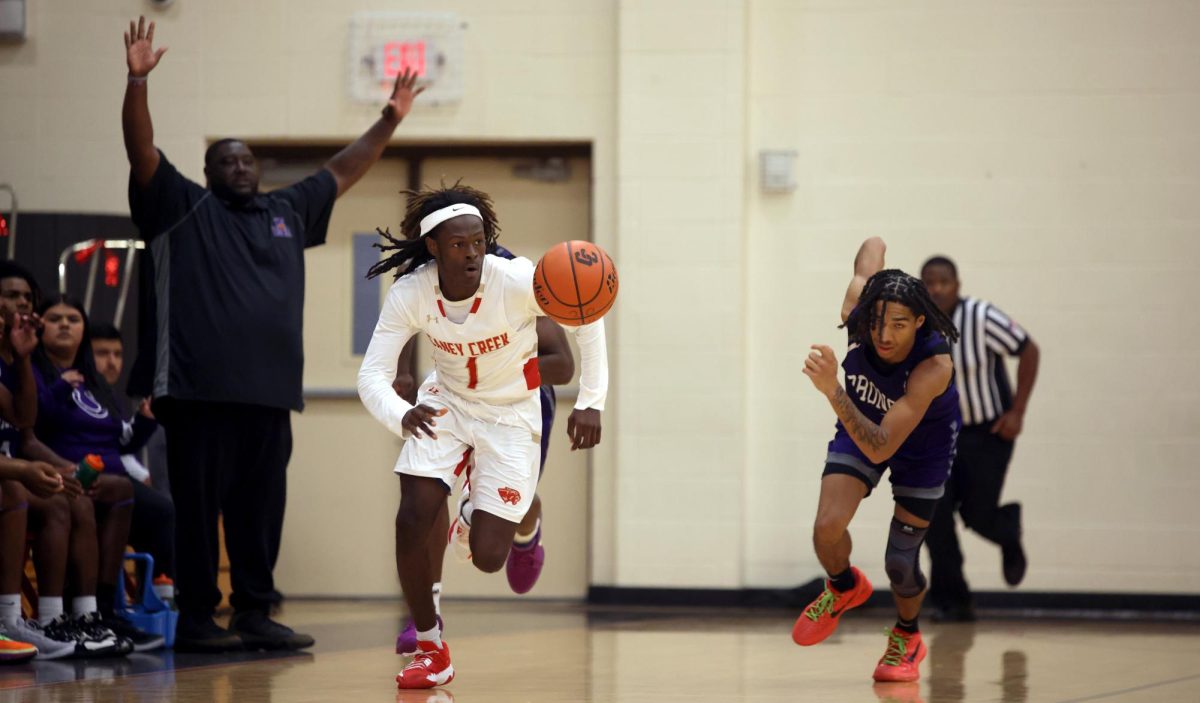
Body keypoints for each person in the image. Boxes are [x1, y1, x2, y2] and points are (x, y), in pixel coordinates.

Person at [120, 15, 423, 651]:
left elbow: (343, 168)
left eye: (247, 158)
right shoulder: (179, 207)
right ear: (208, 171)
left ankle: (256, 611)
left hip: (269, 395)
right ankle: (198, 619)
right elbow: (142, 152)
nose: (240, 166)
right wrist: (137, 83)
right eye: (226, 160)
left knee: (259, 514)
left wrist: (391, 117)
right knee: (199, 516)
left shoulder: (286, 210)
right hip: (198, 394)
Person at [357, 184, 608, 689]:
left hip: (511, 414)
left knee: (489, 558)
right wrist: (400, 416)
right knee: (413, 511)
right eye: (458, 244)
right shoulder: (412, 291)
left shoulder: (515, 279)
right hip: (446, 402)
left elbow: (588, 318)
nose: (471, 253)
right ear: (434, 247)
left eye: (478, 241)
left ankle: (491, 513)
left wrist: (591, 401)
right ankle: (431, 646)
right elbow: (372, 375)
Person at [793, 237, 960, 684]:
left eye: (899, 325)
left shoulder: (934, 366)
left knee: (900, 562)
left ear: (919, 322)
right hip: (861, 424)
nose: (884, 336)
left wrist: (832, 389)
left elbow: (881, 447)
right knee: (826, 527)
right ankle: (844, 586)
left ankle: (907, 636)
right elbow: (872, 247)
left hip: (919, 447)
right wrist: (874, 268)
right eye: (878, 322)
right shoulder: (859, 315)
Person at [392, 259, 575, 655]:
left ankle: (523, 525)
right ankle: (428, 613)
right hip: (456, 400)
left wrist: (502, 373)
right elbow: (404, 322)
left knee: (498, 532)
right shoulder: (426, 278)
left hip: (515, 404)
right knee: (427, 493)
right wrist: (402, 369)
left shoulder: (513, 280)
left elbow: (563, 364)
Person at [0, 264, 123, 659]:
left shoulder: (15, 358)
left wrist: (21, 360)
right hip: (7, 477)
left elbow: (23, 423)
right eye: (10, 295)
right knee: (15, 489)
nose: (21, 303)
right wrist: (23, 468)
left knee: (64, 496)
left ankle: (62, 616)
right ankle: (7, 619)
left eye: (26, 297)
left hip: (9, 469)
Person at [33, 295, 162, 652]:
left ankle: (106, 607)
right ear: (38, 326)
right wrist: (60, 388)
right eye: (54, 318)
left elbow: (121, 438)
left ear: (83, 329)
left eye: (72, 319)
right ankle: (82, 610)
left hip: (107, 478)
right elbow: (32, 423)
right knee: (114, 492)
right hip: (60, 472)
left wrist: (146, 422)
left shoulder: (95, 384)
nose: (63, 324)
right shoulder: (36, 373)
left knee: (138, 497)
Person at [920, 256, 1039, 621]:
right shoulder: (915, 327)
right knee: (933, 517)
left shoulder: (981, 316)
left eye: (944, 281)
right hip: (939, 438)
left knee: (977, 514)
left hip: (987, 433)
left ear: (957, 284)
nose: (937, 288)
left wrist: (1017, 412)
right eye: (930, 282)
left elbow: (1029, 350)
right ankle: (953, 600)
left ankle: (1008, 533)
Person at [91, 323, 177, 607]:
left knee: (161, 511)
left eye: (117, 353)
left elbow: (120, 443)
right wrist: (141, 474)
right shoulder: (72, 387)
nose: (112, 361)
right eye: (102, 353)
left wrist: (144, 421)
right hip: (80, 478)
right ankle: (98, 605)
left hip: (114, 479)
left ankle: (154, 600)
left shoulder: (110, 395)